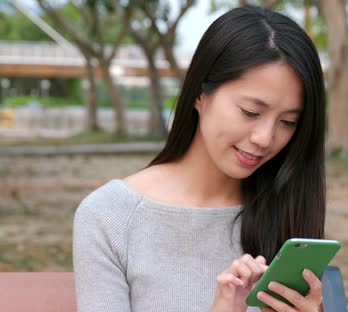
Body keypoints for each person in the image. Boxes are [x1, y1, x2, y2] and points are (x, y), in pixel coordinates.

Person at [72, 5, 327, 312]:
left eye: (287, 122)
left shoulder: (287, 205)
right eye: (251, 112)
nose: (265, 138)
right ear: (199, 94)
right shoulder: (110, 217)